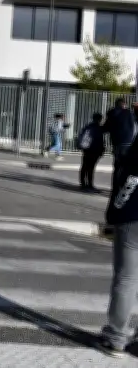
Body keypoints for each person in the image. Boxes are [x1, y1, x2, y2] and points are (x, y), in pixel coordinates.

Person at [97, 137, 138, 358]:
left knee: (126, 278)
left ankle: (116, 337)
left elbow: (130, 182)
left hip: (132, 219)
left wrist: (113, 214)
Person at [104, 98, 136, 190]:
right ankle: (123, 187)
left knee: (117, 167)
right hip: (129, 144)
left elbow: (106, 128)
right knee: (126, 168)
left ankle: (115, 188)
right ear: (124, 104)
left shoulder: (111, 114)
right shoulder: (129, 113)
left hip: (117, 144)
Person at [77, 112, 105, 191]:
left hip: (86, 149)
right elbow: (100, 141)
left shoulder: (87, 126)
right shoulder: (98, 128)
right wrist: (102, 150)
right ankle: (90, 184)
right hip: (94, 149)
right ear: (100, 119)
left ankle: (83, 183)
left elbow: (82, 136)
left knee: (84, 166)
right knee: (91, 167)